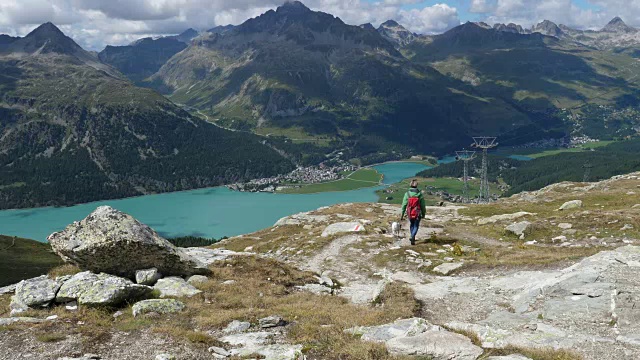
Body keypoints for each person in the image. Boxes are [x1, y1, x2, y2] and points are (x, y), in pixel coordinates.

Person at [400, 179, 426, 245]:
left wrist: (402, 215)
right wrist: (423, 214)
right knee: (416, 225)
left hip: (410, 212)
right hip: (418, 212)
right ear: (417, 185)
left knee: (412, 224)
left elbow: (404, 205)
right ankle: (412, 236)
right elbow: (423, 206)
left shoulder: (407, 194)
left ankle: (412, 238)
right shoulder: (420, 194)